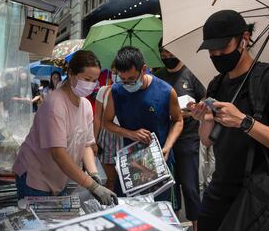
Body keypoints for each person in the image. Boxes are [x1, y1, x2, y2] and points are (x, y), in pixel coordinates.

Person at [188, 10, 269, 231]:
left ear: (245, 39)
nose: (217, 55)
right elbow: (208, 141)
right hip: (219, 189)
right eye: (211, 50)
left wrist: (244, 122)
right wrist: (204, 121)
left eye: (223, 47)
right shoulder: (216, 84)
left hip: (256, 196)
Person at [12, 50, 118, 205]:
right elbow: (58, 153)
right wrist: (91, 185)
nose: (91, 85)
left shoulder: (86, 105)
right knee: (39, 224)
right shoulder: (55, 104)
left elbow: (87, 145)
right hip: (35, 175)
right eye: (87, 79)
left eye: (94, 80)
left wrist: (93, 174)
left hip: (60, 175)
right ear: (70, 74)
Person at [103, 46, 183, 207]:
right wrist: (130, 133)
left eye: (132, 79)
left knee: (160, 211)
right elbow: (107, 123)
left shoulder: (166, 91)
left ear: (144, 69)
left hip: (160, 161)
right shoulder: (116, 91)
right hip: (130, 164)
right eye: (123, 79)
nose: (127, 84)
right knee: (129, 210)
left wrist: (167, 147)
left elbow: (178, 120)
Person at [155, 48, 206, 231]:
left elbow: (204, 99)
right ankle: (173, 229)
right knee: (169, 187)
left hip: (188, 137)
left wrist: (193, 110)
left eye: (170, 52)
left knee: (191, 186)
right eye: (163, 53)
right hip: (165, 137)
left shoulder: (191, 74)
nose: (168, 57)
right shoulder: (158, 76)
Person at [94, 63, 124, 191]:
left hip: (127, 135)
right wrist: (93, 142)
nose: (116, 75)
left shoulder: (134, 91)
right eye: (114, 72)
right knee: (110, 181)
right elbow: (97, 119)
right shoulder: (103, 90)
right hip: (107, 138)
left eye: (119, 72)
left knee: (125, 182)